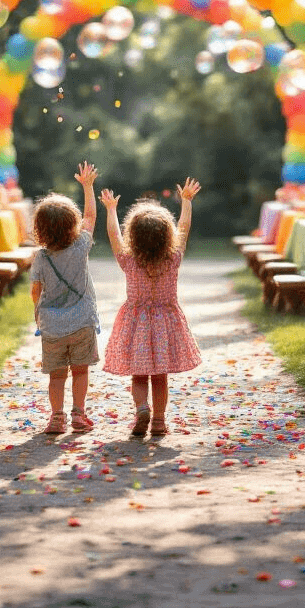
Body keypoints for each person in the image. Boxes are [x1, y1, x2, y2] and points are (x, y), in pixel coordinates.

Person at [99, 178, 202, 438]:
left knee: (139, 374)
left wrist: (111, 210)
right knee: (160, 376)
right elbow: (185, 227)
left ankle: (141, 408)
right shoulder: (173, 258)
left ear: (132, 235)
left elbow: (113, 234)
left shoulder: (128, 260)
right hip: (165, 324)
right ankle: (158, 420)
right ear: (168, 235)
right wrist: (187, 202)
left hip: (136, 325)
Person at [30, 161, 101, 435]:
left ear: (40, 229)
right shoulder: (81, 246)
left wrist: (38, 313)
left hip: (53, 327)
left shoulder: (41, 257)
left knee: (57, 375)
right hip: (81, 322)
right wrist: (88, 186)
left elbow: (35, 290)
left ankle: (56, 417)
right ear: (73, 224)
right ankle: (79, 415)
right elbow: (92, 217)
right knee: (80, 372)